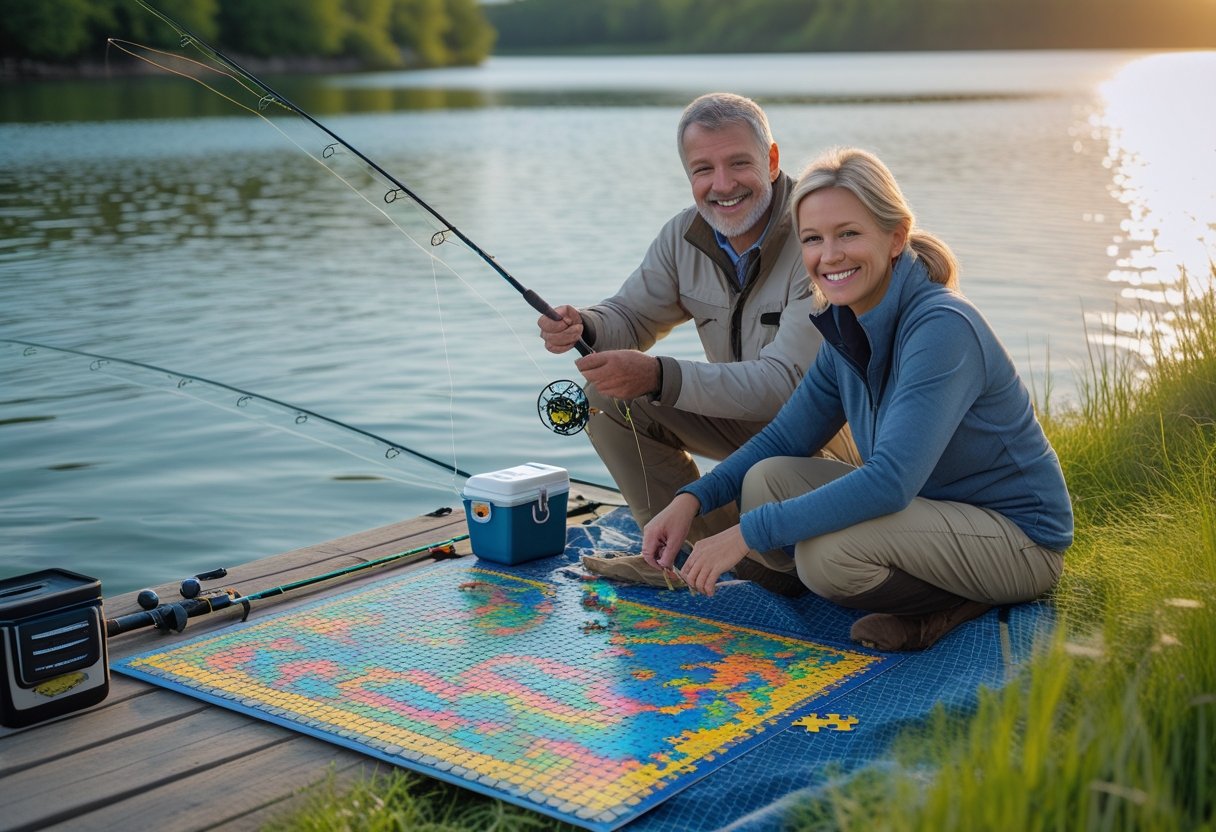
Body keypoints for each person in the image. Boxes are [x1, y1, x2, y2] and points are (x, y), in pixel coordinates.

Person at [641, 146, 1073, 652]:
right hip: (931, 510)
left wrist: (745, 535)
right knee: (768, 480)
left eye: (848, 233)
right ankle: (876, 581)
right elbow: (786, 436)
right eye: (813, 239)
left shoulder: (941, 328)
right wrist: (691, 500)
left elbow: (890, 481)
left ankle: (944, 608)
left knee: (828, 556)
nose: (830, 255)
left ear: (895, 238)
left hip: (1019, 541)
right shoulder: (847, 326)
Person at [538, 93, 856, 559]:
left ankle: (756, 558)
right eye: (703, 169)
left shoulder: (817, 236)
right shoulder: (683, 236)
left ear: (771, 160)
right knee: (605, 400)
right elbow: (631, 315)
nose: (722, 184)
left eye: (738, 163)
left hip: (822, 440)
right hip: (741, 425)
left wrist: (658, 376)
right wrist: (581, 324)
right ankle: (683, 553)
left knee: (772, 490)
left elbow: (787, 385)